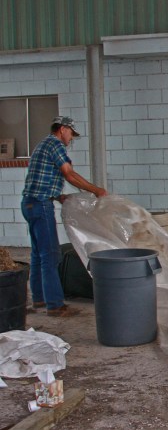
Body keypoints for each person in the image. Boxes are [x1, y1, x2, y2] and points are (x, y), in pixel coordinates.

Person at [21, 116, 108, 317]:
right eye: (71, 134)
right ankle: (55, 305)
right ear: (62, 130)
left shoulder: (43, 144)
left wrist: (59, 196)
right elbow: (69, 174)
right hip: (41, 206)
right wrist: (96, 190)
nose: (71, 139)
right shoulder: (55, 145)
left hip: (29, 203)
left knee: (38, 254)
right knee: (51, 255)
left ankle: (40, 298)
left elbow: (44, 177)